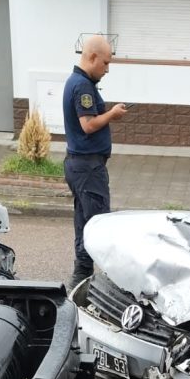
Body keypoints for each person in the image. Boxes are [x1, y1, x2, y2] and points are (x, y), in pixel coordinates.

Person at [62, 34, 127, 290]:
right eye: (106, 63)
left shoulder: (79, 82)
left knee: (85, 221)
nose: (107, 69)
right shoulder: (82, 86)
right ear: (92, 57)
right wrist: (111, 114)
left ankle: (82, 275)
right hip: (87, 167)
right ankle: (112, 282)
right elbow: (87, 125)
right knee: (100, 224)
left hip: (82, 165)